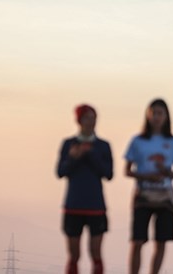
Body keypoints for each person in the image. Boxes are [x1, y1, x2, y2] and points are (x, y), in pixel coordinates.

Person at [125, 99, 173, 274]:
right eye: (154, 113)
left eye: (160, 113)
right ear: (148, 115)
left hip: (165, 197)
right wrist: (146, 175)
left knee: (161, 241)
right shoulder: (137, 141)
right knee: (137, 241)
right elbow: (127, 170)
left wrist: (167, 172)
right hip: (143, 195)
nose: (157, 117)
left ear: (166, 117)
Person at [57, 104, 113, 274]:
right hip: (73, 205)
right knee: (73, 255)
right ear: (79, 120)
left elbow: (108, 174)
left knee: (96, 253)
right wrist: (74, 158)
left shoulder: (103, 146)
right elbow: (61, 172)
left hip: (96, 206)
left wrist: (91, 155)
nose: (91, 122)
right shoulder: (69, 144)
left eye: (93, 118)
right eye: (87, 118)